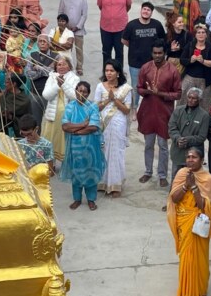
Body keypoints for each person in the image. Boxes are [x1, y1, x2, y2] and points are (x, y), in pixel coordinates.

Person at [166, 146, 211, 296]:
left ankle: (200, 288)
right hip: (183, 221)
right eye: (188, 157)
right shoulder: (181, 174)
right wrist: (185, 185)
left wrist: (194, 186)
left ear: (202, 160)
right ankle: (186, 289)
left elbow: (205, 206)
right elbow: (174, 199)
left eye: (194, 157)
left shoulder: (207, 178)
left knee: (200, 258)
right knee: (186, 257)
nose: (190, 160)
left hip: (198, 223)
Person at [137, 40, 181, 187]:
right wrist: (148, 92)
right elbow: (139, 88)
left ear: (165, 53)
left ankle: (162, 174)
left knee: (163, 145)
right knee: (148, 144)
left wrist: (160, 93)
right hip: (148, 112)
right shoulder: (145, 68)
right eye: (155, 53)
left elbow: (178, 94)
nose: (157, 56)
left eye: (160, 53)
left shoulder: (172, 70)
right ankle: (148, 171)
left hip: (164, 113)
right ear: (151, 53)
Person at [61, 80, 105, 211]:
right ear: (75, 91)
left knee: (90, 171)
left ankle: (91, 200)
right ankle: (77, 199)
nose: (81, 94)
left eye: (84, 92)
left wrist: (75, 131)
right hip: (74, 147)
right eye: (79, 91)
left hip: (90, 146)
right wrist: (82, 125)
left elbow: (93, 127)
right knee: (76, 172)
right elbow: (64, 126)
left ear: (89, 93)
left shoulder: (92, 107)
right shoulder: (70, 107)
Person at [122, 1, 166, 119]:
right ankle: (134, 109)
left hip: (153, 63)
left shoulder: (157, 25)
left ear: (151, 13)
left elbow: (163, 40)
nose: (146, 11)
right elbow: (124, 40)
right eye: (144, 9)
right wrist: (135, 47)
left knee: (154, 85)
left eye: (148, 10)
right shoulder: (132, 25)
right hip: (135, 62)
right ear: (141, 10)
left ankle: (153, 108)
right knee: (136, 87)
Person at [95, 60, 131, 197]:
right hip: (104, 122)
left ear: (118, 73)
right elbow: (96, 107)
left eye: (111, 71)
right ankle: (103, 182)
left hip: (118, 122)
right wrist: (107, 100)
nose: (108, 73)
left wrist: (115, 100)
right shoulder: (100, 86)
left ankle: (116, 185)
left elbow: (127, 110)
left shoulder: (126, 88)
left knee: (116, 152)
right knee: (102, 150)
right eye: (106, 71)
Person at [41, 56, 79, 163]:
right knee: (50, 140)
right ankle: (50, 165)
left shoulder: (74, 78)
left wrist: (64, 84)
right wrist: (57, 86)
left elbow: (74, 96)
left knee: (65, 141)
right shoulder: (52, 77)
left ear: (69, 66)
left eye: (64, 64)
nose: (61, 66)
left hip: (67, 117)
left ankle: (66, 166)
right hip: (52, 116)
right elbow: (46, 95)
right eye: (59, 64)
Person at [168, 87, 210, 179]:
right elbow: (172, 128)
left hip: (194, 155)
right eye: (189, 97)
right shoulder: (178, 110)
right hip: (178, 152)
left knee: (192, 181)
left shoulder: (204, 115)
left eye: (194, 98)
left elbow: (202, 137)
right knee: (176, 179)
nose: (191, 100)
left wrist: (186, 140)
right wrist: (178, 138)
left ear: (199, 100)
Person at [97, 0, 132, 65]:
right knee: (106, 51)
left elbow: (128, 6)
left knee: (119, 52)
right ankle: (106, 72)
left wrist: (118, 15)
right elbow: (100, 6)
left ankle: (119, 74)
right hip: (105, 27)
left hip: (120, 28)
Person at [180, 23, 211, 108]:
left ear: (206, 35)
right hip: (190, 78)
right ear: (195, 35)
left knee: (204, 104)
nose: (201, 34)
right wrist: (190, 60)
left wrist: (203, 61)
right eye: (198, 32)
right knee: (183, 100)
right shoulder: (190, 45)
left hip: (204, 80)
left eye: (203, 32)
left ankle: (201, 120)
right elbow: (182, 60)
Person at [25, 34, 57, 126]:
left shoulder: (56, 56)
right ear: (37, 44)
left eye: (45, 41)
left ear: (49, 44)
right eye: (40, 41)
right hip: (35, 93)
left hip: (50, 95)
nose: (42, 43)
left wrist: (38, 68)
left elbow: (53, 73)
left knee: (50, 122)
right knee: (36, 120)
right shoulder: (31, 55)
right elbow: (28, 74)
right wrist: (45, 70)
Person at [58, 0, 88, 75]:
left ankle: (79, 67)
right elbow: (60, 13)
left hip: (78, 29)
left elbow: (84, 15)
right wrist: (64, 26)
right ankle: (67, 66)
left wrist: (77, 26)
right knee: (66, 49)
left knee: (79, 49)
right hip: (66, 30)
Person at [164, 11, 191, 76]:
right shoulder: (167, 35)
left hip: (182, 63)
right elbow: (164, 51)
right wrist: (171, 49)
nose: (182, 24)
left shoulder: (187, 35)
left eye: (182, 22)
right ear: (173, 23)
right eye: (179, 22)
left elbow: (190, 50)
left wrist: (180, 48)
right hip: (170, 63)